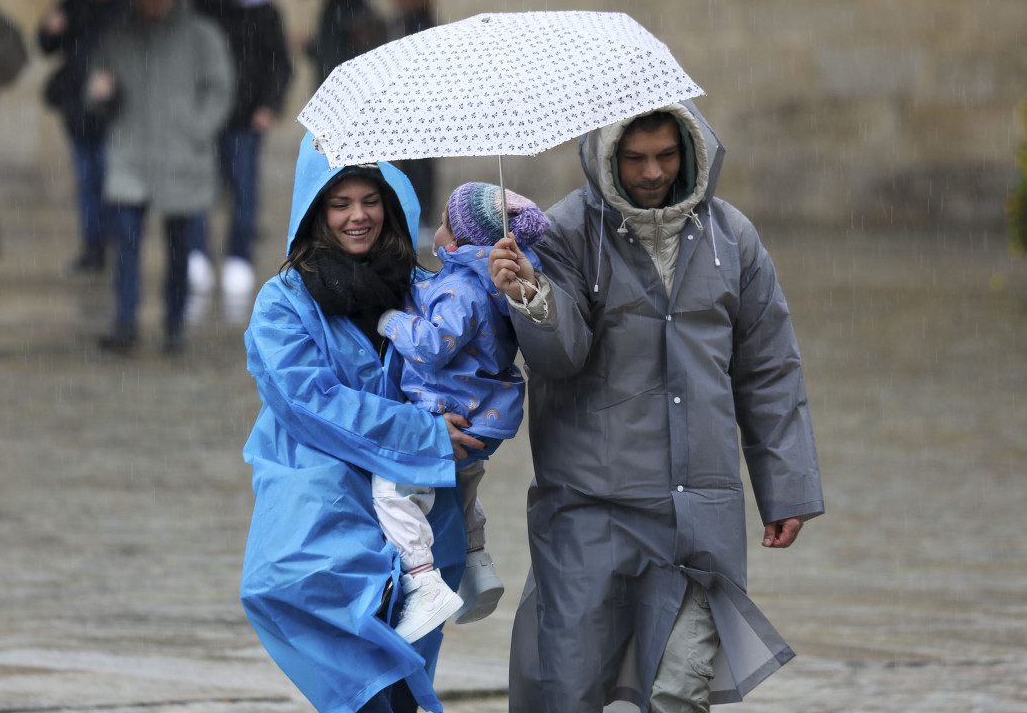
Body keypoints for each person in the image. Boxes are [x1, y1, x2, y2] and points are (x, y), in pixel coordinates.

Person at [486, 102, 825, 712]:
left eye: (666, 156)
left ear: (691, 151)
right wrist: (530, 295)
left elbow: (769, 368)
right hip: (589, 509)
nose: (652, 172)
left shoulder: (733, 238)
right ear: (608, 158)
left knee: (679, 691)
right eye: (636, 159)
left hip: (700, 515)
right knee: (571, 689)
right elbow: (560, 357)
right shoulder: (564, 231)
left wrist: (787, 489)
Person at [240, 131, 486, 713]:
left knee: (400, 692)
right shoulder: (283, 304)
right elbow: (311, 404)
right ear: (314, 210)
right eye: (339, 202)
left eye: (370, 200)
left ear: (393, 202)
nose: (358, 216)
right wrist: (425, 437)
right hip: (322, 521)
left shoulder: (430, 293)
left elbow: (474, 386)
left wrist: (510, 299)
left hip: (418, 531)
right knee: (366, 692)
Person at [373, 181, 550, 642]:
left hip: (449, 410)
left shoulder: (461, 288)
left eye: (446, 220)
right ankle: (478, 563)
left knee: (392, 491)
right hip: (483, 418)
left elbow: (433, 346)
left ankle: (422, 578)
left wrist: (393, 321)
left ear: (457, 240)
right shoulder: (496, 285)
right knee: (468, 486)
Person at [85, 0, 234, 354]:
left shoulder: (201, 36)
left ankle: (173, 323)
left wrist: (197, 129)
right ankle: (125, 322)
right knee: (127, 246)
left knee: (180, 249)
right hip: (130, 155)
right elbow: (96, 92)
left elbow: (221, 88)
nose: (152, 4)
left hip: (182, 156)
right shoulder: (118, 36)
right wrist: (101, 94)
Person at [186, 0, 292, 325]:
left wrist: (269, 105)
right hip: (203, 117)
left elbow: (279, 63)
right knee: (198, 188)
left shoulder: (263, 12)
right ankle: (195, 254)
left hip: (246, 117)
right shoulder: (197, 7)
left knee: (244, 187)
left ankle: (238, 256)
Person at [37, 0, 130, 274]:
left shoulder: (127, 4)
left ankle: (119, 246)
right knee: (88, 183)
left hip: (115, 111)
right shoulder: (72, 5)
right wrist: (50, 29)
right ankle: (93, 248)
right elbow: (46, 45)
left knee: (113, 183)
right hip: (78, 110)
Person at [383, 0, 438, 222]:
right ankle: (411, 214)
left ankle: (423, 216)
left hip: (421, 105)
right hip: (402, 105)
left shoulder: (423, 22)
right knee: (406, 164)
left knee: (421, 166)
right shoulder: (396, 21)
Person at [304, 0, 386, 87]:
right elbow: (327, 47)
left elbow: (365, 41)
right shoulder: (330, 7)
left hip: (347, 77)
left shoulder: (357, 6)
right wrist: (312, 48)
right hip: (328, 77)